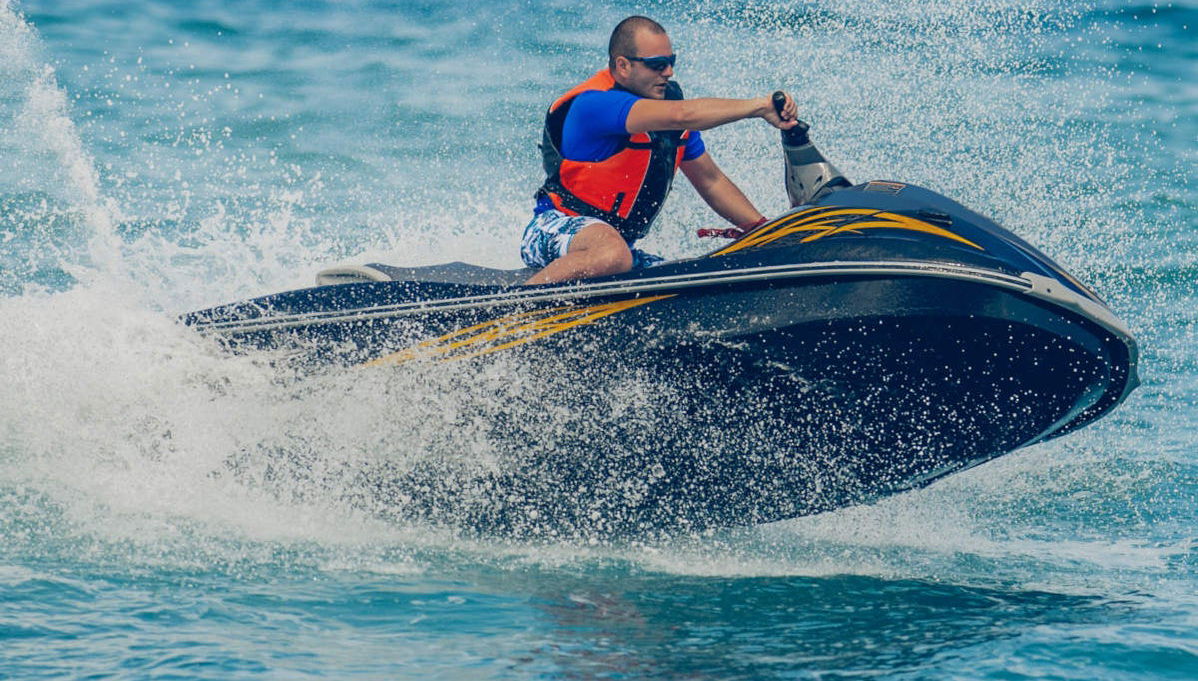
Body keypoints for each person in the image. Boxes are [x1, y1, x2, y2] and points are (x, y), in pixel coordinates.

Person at [521, 15, 799, 285]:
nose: (669, 72)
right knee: (612, 254)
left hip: (618, 250)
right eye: (657, 64)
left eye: (671, 62)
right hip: (554, 229)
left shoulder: (666, 120)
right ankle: (516, 312)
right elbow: (682, 114)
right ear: (623, 66)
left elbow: (711, 181)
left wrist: (763, 231)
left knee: (695, 280)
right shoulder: (594, 105)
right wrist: (759, 106)